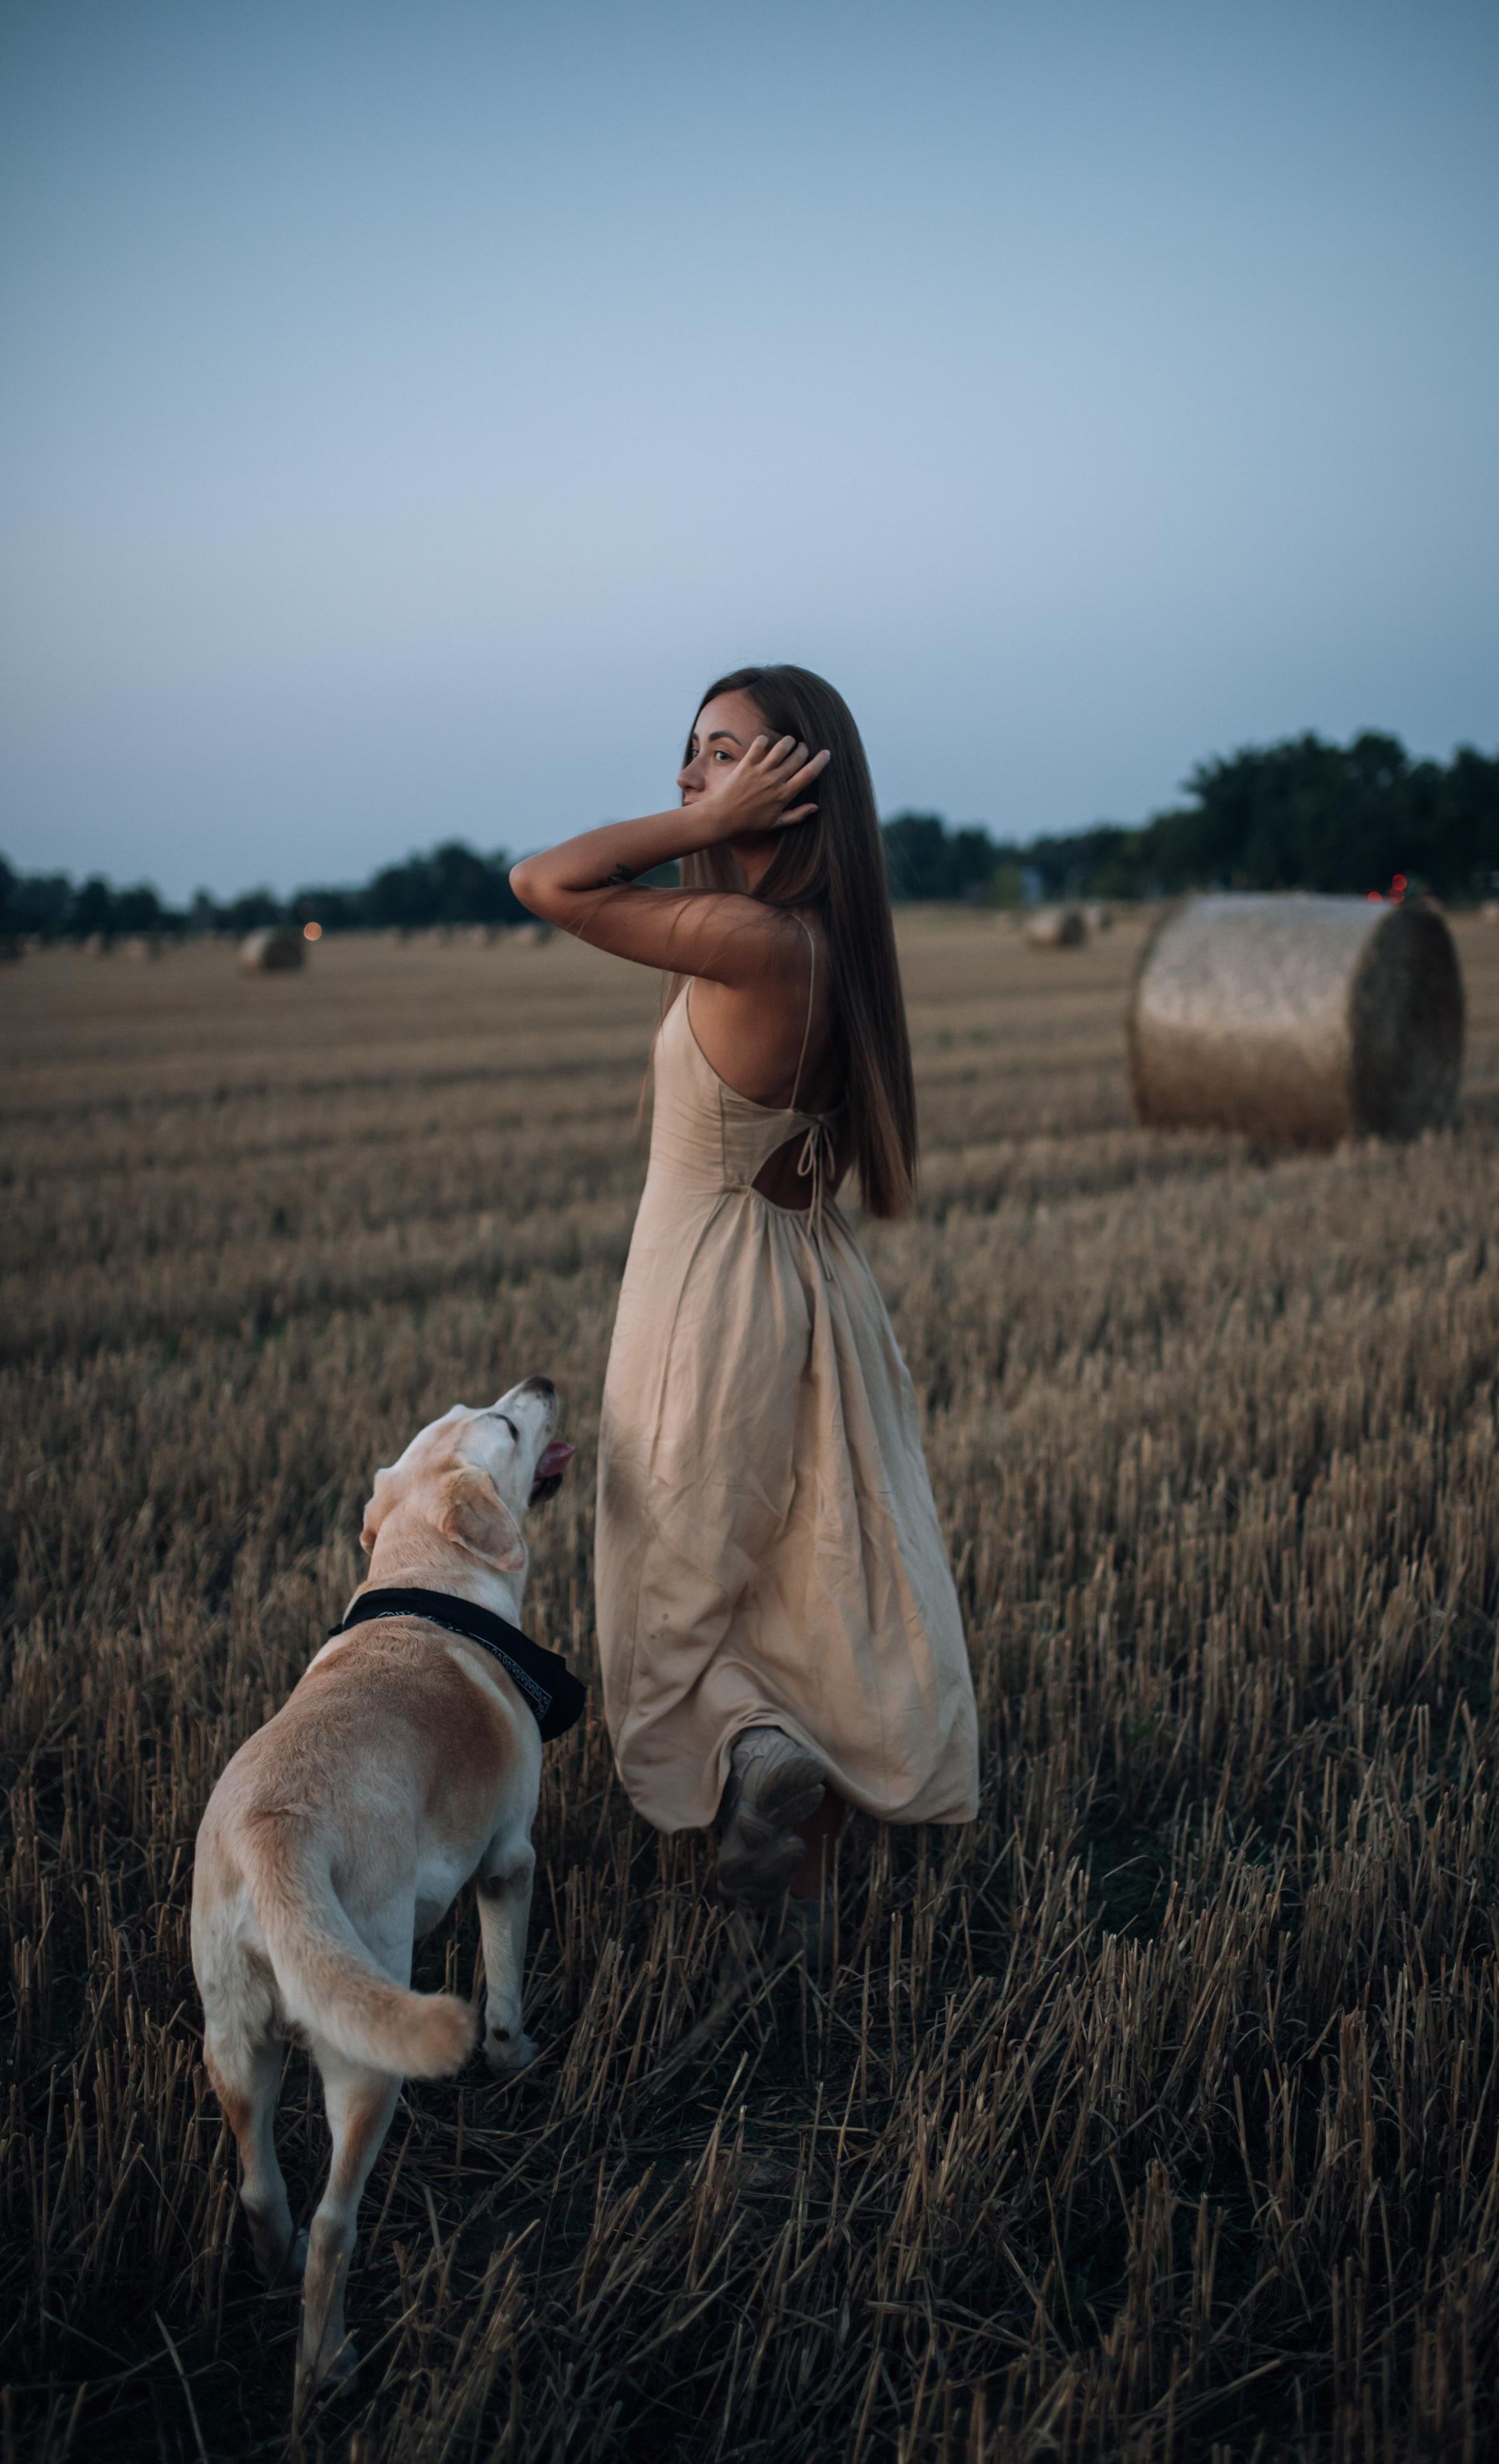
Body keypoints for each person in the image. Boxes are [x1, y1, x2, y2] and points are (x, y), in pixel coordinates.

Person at [510, 665, 978, 1965]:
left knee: (671, 1582)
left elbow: (544, 882)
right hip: (802, 1279)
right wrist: (720, 814)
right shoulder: (825, 942)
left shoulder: (755, 940)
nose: (686, 775)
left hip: (701, 1295)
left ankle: (752, 1753)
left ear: (797, 780)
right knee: (788, 1573)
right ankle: (800, 1893)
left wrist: (701, 824)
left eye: (723, 754)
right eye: (686, 750)